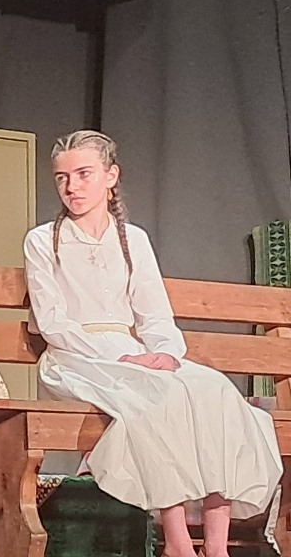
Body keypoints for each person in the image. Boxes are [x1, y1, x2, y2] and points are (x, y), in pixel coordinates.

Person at [23, 129, 282, 557]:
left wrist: (164, 352)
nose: (72, 187)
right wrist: (122, 357)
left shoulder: (133, 240)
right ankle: (177, 541)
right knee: (158, 398)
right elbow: (53, 322)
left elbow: (155, 313)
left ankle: (216, 546)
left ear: (110, 176)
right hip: (75, 356)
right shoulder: (42, 241)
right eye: (62, 177)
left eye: (84, 174)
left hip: (131, 352)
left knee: (215, 391)